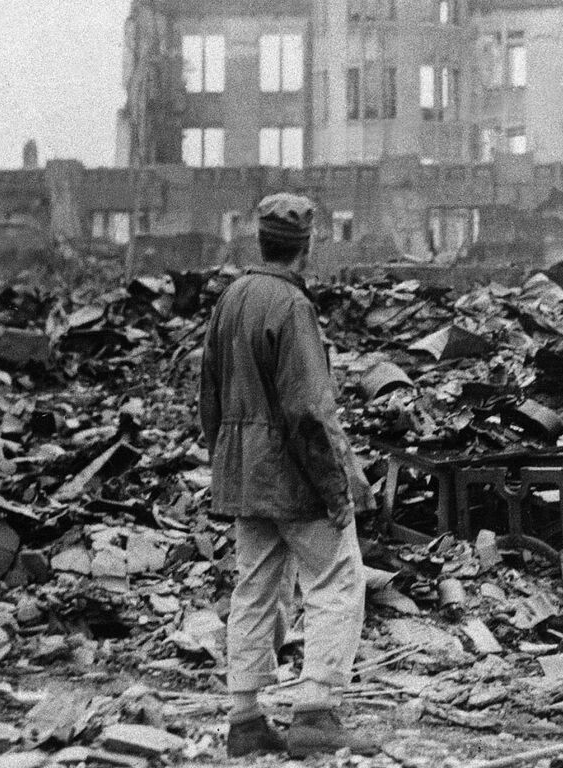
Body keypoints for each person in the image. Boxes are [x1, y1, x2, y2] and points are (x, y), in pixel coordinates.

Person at [199, 193, 378, 758]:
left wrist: (227, 461)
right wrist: (337, 489)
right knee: (336, 581)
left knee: (254, 588)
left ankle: (245, 717)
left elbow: (209, 396)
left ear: (261, 240)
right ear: (307, 245)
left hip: (244, 476)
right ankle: (316, 712)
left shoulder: (231, 299)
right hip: (294, 477)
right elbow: (308, 411)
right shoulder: (291, 306)